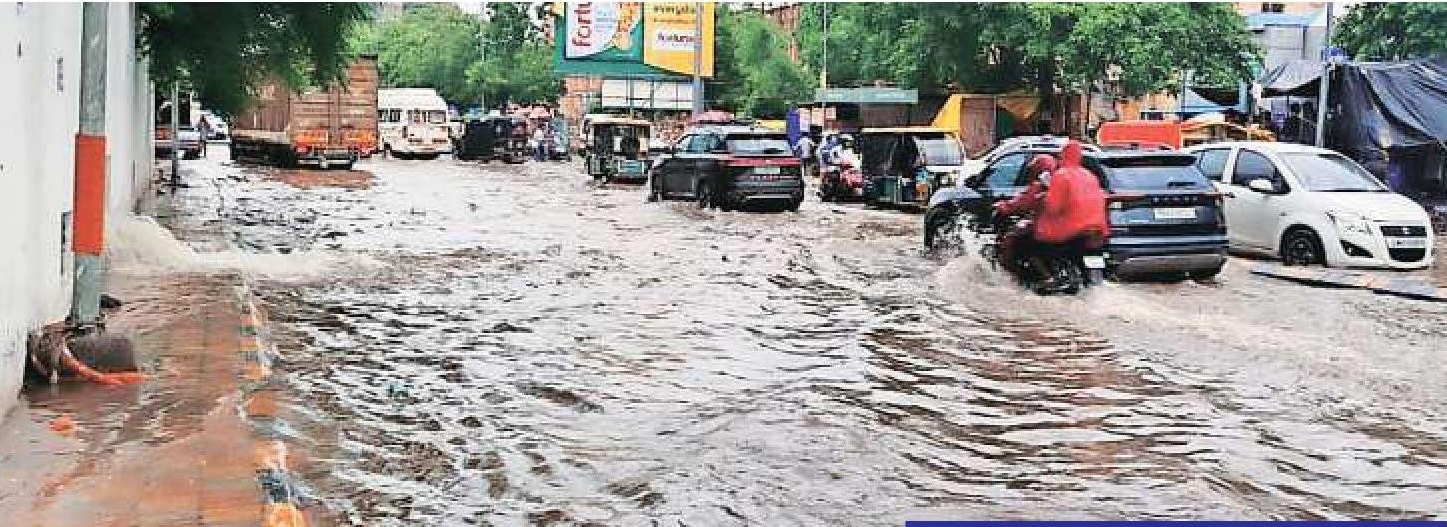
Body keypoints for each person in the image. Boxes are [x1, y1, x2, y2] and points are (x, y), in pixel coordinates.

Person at [995, 141, 1108, 285]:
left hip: (1069, 232)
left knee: (1023, 246)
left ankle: (1046, 278)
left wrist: (1043, 200)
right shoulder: (1089, 175)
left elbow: (1051, 207)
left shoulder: (1060, 177)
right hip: (1095, 232)